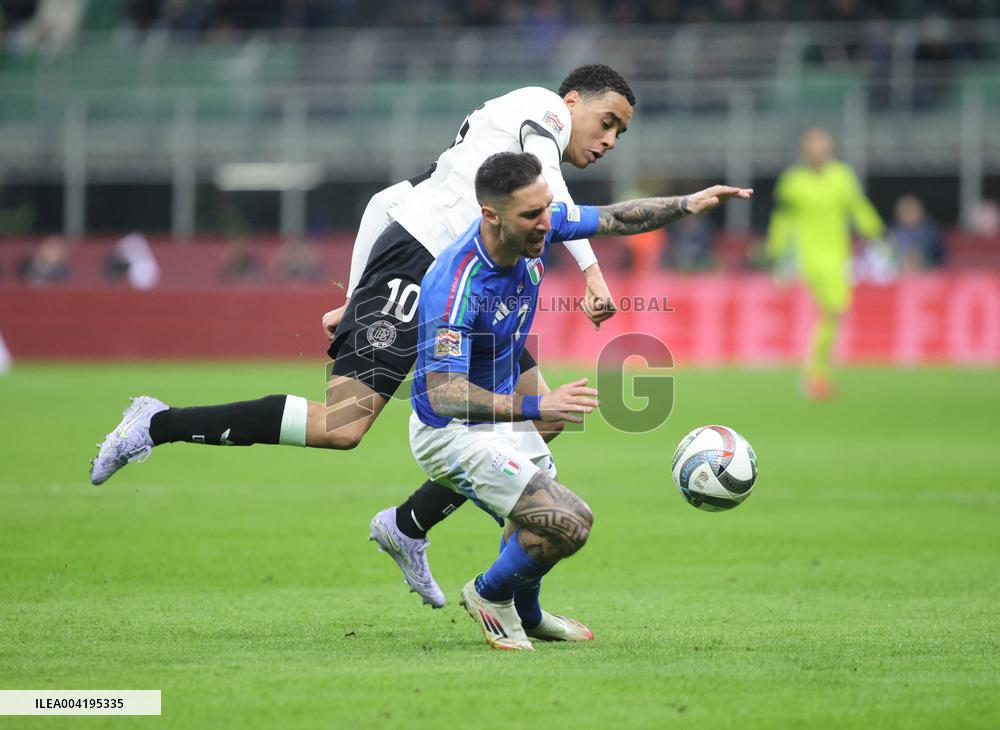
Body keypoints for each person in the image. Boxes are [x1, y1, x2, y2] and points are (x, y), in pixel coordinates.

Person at [89, 65, 633, 603]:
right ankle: (156, 423)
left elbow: (385, 199)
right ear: (570, 103)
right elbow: (551, 198)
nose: (609, 140)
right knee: (342, 426)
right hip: (418, 266)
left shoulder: (478, 154)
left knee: (540, 416)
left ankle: (408, 525)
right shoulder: (538, 109)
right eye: (606, 121)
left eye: (620, 133)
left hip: (474, 286)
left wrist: (351, 293)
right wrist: (590, 270)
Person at [410, 151, 750, 649]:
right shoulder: (455, 285)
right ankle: (487, 594)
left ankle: (526, 615)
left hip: (497, 414)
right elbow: (445, 395)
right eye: (531, 215)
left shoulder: (538, 228)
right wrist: (536, 408)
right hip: (451, 433)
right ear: (490, 216)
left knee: (538, 520)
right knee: (568, 522)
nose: (546, 224)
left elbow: (612, 217)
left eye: (547, 207)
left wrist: (688, 203)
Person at [765, 127, 884, 400]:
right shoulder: (793, 181)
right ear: (804, 151)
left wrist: (875, 232)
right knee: (828, 312)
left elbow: (858, 207)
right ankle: (814, 374)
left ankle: (816, 371)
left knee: (834, 312)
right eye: (812, 147)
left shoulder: (842, 177)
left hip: (837, 256)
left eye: (822, 147)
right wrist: (777, 253)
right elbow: (783, 219)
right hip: (806, 257)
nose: (818, 152)